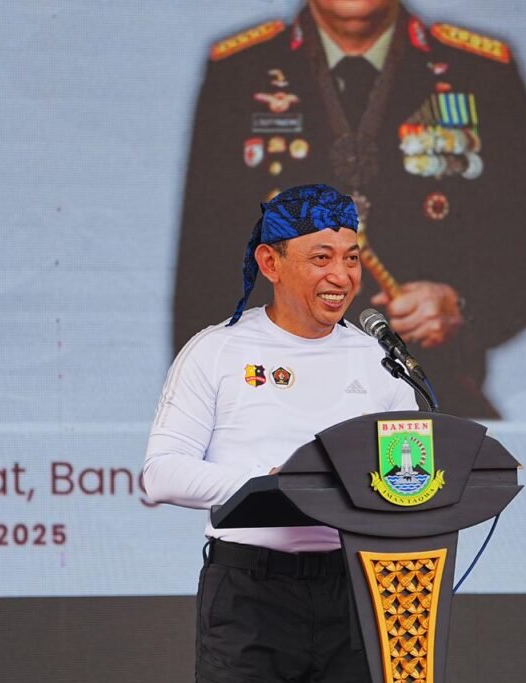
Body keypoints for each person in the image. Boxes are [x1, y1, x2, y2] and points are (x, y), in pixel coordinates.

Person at [174, 0, 526, 418]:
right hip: (275, 402)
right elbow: (201, 269)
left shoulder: (477, 72)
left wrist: (463, 307)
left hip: (428, 397)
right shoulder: (240, 71)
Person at [144, 184, 418, 682]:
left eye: (351, 257)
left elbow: (410, 472)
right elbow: (161, 474)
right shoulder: (217, 350)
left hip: (357, 592)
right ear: (270, 263)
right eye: (321, 258)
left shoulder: (380, 361)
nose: (342, 276)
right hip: (251, 594)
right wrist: (272, 486)